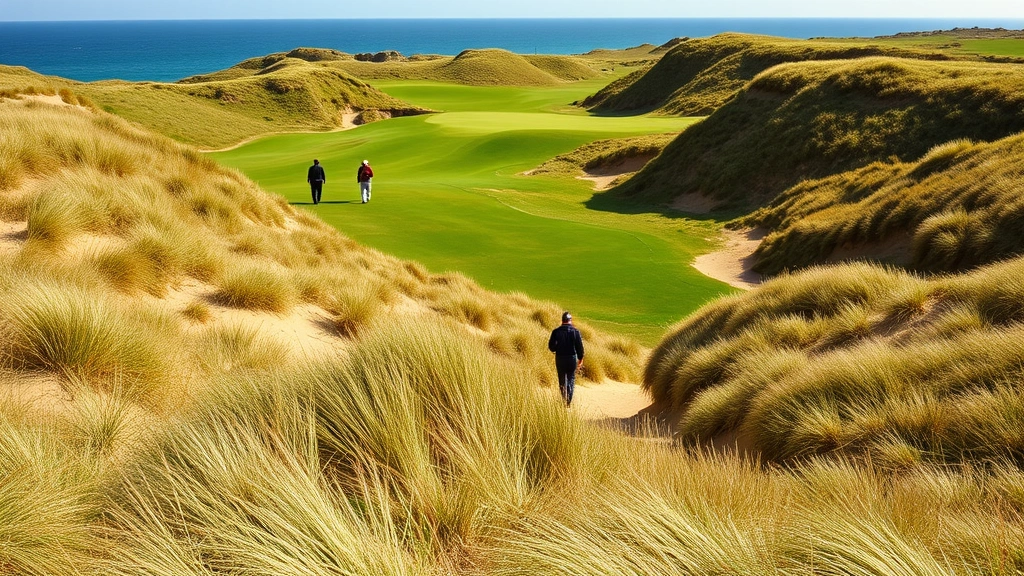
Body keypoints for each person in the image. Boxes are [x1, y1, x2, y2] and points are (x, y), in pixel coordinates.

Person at [548, 311, 584, 407]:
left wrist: (557, 347)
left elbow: (551, 347)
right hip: (572, 358)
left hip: (560, 358)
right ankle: (568, 402)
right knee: (571, 378)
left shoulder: (556, 332)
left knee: (562, 379)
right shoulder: (576, 332)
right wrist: (580, 359)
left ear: (562, 320)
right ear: (570, 320)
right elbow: (580, 347)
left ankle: (564, 398)